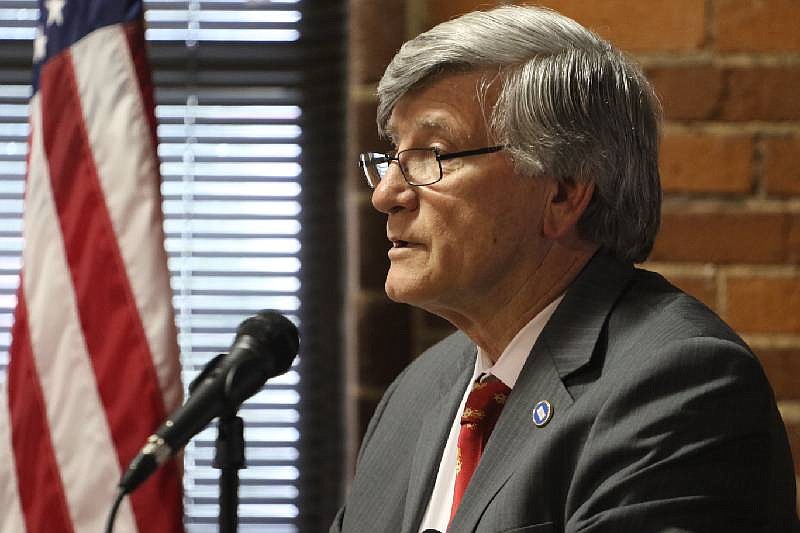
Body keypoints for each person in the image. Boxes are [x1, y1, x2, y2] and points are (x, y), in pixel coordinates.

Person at [333, 5, 799, 533]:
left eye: (433, 154)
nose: (386, 195)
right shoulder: (416, 391)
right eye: (393, 156)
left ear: (563, 192)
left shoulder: (681, 385)